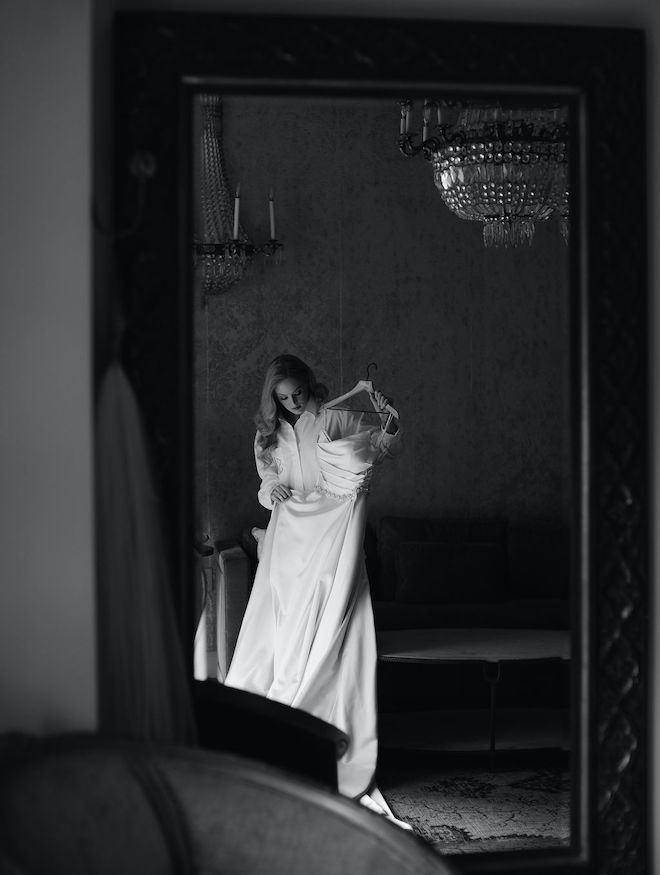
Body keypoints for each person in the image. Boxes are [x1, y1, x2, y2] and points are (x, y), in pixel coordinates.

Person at [224, 353, 410, 829]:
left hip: (333, 539)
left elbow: (377, 452)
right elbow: (267, 484)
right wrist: (274, 494)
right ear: (272, 399)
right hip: (289, 540)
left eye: (297, 393)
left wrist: (390, 424)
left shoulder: (335, 416)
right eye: (282, 398)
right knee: (285, 632)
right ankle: (278, 723)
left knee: (332, 625)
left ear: (309, 383)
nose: (291, 403)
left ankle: (323, 719)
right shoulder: (267, 436)